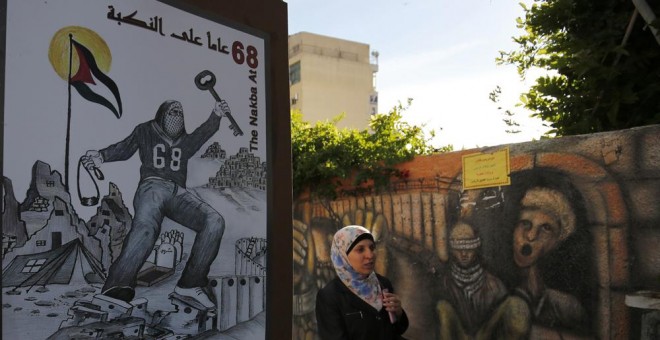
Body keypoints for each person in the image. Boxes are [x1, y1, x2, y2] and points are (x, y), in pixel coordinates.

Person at [82, 99, 230, 309]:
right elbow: (125, 148)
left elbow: (202, 134)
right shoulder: (145, 131)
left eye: (180, 112)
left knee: (214, 220)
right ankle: (117, 285)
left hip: (178, 193)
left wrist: (216, 114)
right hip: (152, 187)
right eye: (172, 111)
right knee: (146, 228)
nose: (176, 115)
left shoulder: (185, 141)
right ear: (161, 114)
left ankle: (190, 284)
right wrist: (101, 156)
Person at [511, 186, 589, 335]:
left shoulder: (566, 306)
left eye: (546, 228)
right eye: (525, 223)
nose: (531, 236)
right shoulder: (493, 290)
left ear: (557, 242)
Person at [315, 225, 408, 340]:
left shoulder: (383, 283)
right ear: (343, 255)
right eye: (360, 249)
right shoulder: (330, 296)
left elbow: (397, 331)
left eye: (372, 248)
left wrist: (399, 314)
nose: (370, 255)